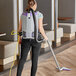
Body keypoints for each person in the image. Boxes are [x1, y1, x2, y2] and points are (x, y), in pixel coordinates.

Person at [16, 0, 48, 76]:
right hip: (36, 40)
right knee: (34, 60)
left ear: (28, 5)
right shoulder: (39, 14)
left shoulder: (23, 14)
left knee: (22, 59)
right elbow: (40, 28)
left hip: (25, 40)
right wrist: (45, 37)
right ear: (35, 4)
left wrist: (20, 37)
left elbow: (19, 29)